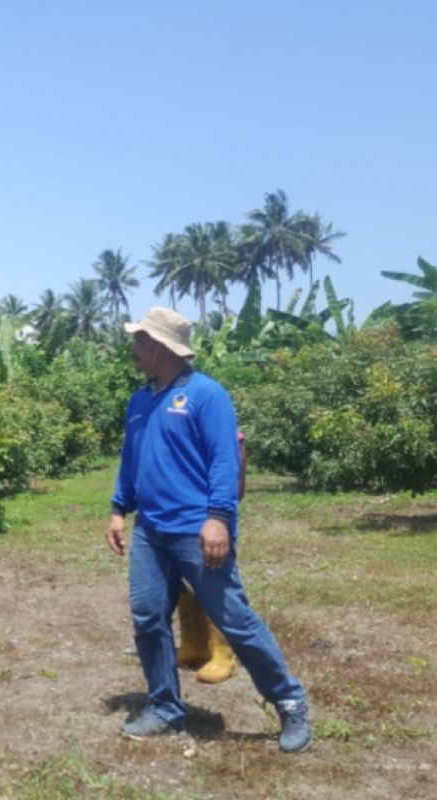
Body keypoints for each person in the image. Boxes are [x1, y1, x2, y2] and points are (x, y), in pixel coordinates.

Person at [105, 307, 311, 753]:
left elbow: (224, 459)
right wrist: (120, 509)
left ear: (161, 348)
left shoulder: (207, 395)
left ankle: (289, 699)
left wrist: (218, 517)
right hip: (151, 531)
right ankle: (165, 704)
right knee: (148, 617)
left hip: (197, 530)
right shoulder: (140, 399)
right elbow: (131, 458)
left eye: (140, 342)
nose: (134, 350)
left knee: (234, 619)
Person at [176, 431, 245, 684]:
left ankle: (222, 651)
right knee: (180, 583)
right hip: (176, 517)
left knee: (215, 585)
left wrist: (218, 519)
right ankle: (194, 643)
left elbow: (235, 483)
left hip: (209, 519)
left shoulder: (228, 434)